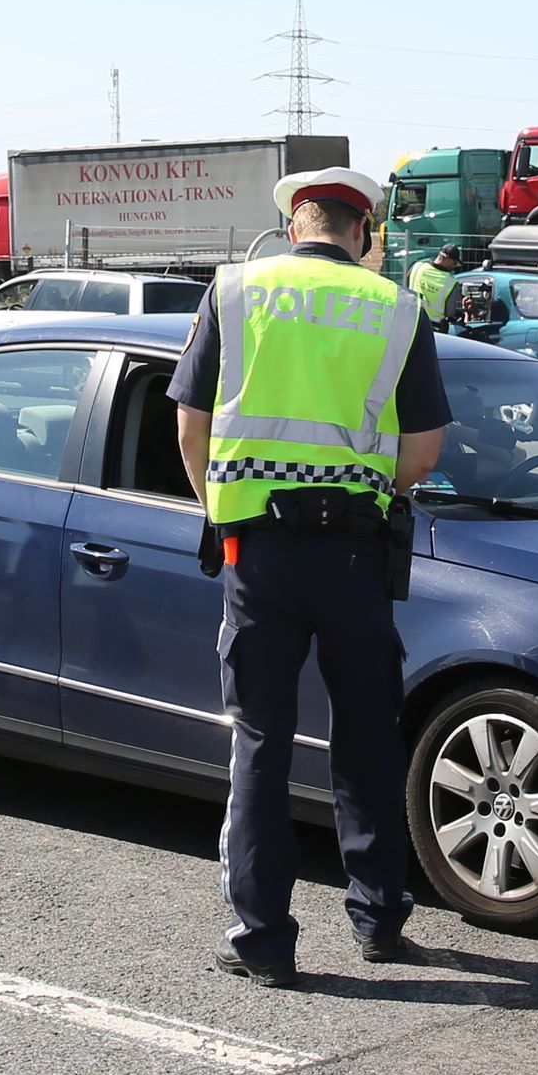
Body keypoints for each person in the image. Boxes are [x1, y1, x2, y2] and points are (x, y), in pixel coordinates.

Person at [169, 168, 450, 985]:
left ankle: (261, 938)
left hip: (257, 550)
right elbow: (422, 454)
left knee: (260, 738)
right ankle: (379, 918)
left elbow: (189, 426)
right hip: (357, 551)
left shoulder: (233, 292)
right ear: (361, 231)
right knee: (367, 733)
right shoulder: (396, 307)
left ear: (295, 224)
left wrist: (224, 506)